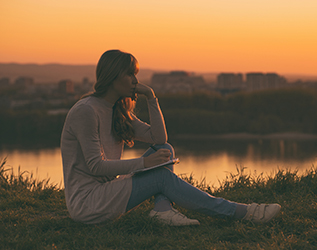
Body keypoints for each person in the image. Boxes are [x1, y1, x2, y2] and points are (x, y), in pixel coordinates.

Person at [61, 49, 281, 226]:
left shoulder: (117, 110)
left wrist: (151, 97)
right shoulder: (86, 111)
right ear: (112, 76)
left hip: (107, 195)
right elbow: (95, 167)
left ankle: (163, 210)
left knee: (164, 149)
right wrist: (145, 163)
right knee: (161, 177)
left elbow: (158, 138)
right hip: (87, 204)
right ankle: (243, 212)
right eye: (129, 74)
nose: (135, 80)